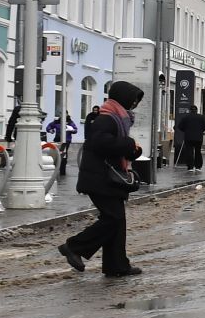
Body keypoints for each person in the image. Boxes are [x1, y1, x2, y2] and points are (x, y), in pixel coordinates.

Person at [59, 80, 145, 278]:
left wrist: (133, 150)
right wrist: (129, 143)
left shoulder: (118, 119)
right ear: (123, 98)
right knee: (113, 219)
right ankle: (74, 247)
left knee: (117, 221)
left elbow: (117, 149)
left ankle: (117, 265)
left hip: (107, 178)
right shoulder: (107, 118)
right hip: (99, 179)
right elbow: (100, 142)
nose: (133, 105)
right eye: (132, 101)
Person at [45, 113, 78, 177]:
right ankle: (56, 167)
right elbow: (49, 126)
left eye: (64, 114)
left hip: (66, 141)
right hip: (57, 140)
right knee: (57, 154)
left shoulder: (70, 122)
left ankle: (62, 170)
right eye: (61, 114)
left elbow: (75, 130)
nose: (62, 115)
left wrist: (72, 130)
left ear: (67, 114)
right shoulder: (57, 121)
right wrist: (50, 130)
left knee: (63, 154)